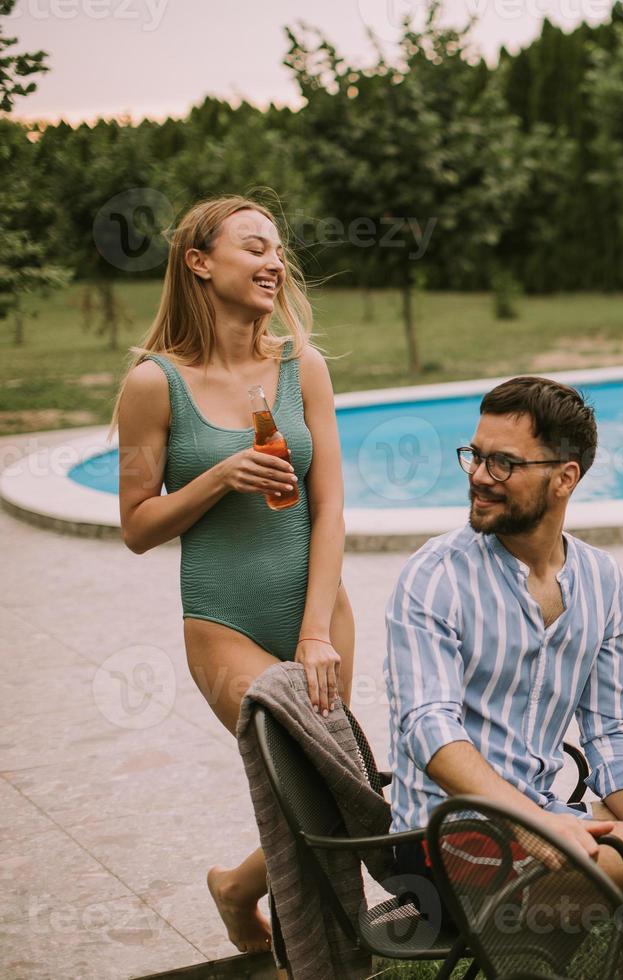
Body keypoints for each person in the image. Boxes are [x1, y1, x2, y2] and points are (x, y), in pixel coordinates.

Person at [385, 376, 623, 969]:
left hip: (542, 812)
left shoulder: (599, 578)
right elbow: (428, 727)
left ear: (565, 477)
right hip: (449, 840)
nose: (480, 476)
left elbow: (609, 727)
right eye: (476, 456)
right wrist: (537, 825)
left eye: (503, 463)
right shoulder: (435, 577)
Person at [114, 196, 352, 953]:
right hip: (222, 620)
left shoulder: (300, 366)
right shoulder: (155, 385)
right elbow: (137, 527)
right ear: (199, 262)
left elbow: (331, 506)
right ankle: (308, 962)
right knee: (303, 786)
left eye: (278, 250)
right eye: (253, 247)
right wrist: (218, 477)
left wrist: (316, 631)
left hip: (319, 611)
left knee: (335, 792)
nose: (273, 263)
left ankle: (238, 887)